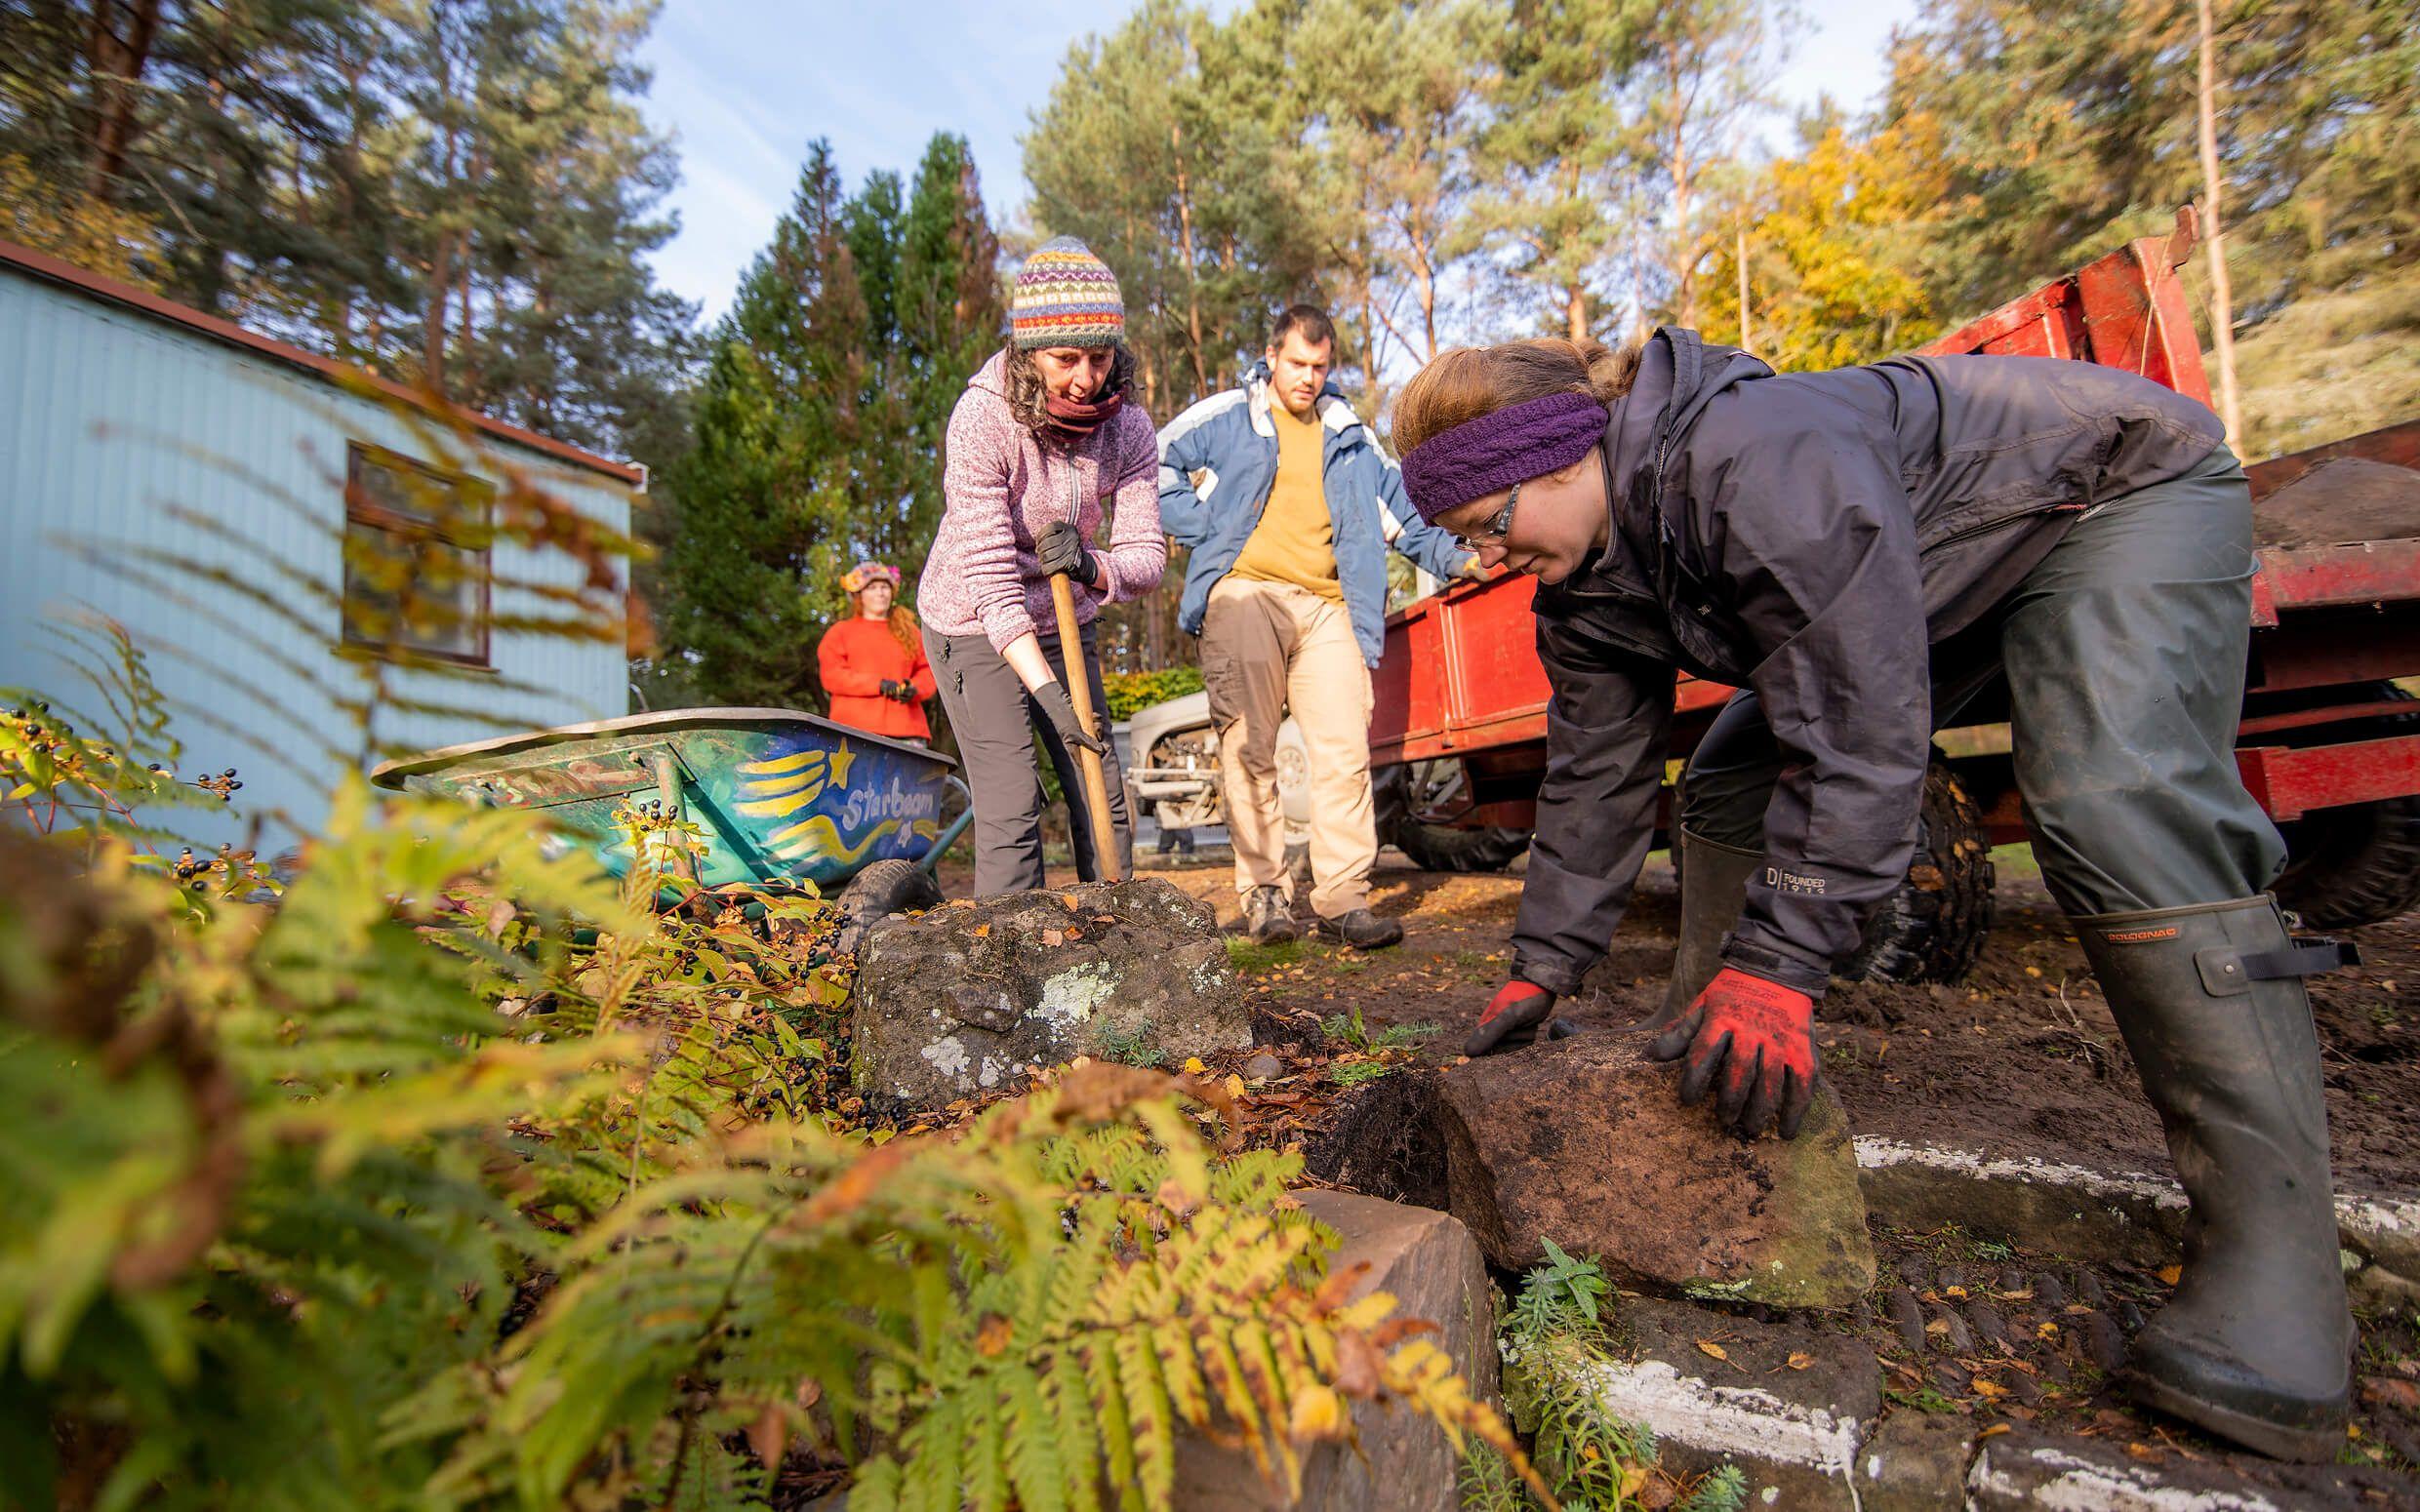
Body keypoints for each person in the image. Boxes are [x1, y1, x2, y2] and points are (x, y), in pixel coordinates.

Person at [1389, 328, 2355, 1461]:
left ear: (1561, 462)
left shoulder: (1752, 461)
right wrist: (1541, 960)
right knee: (1724, 782)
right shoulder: (1588, 575)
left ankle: (2279, 1270)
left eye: (1489, 528)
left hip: (2103, 498)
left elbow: (1851, 726)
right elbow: (1598, 772)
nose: (1488, 560)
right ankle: (1713, 1094)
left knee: (2111, 805)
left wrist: (1783, 959)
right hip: (1932, 573)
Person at [1157, 305, 1475, 948]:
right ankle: (1267, 895)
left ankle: (1341, 901)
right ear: (1272, 356)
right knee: (1250, 749)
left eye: (1320, 366)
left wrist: (1458, 557)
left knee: (1344, 754)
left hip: (1331, 604)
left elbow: (1404, 518)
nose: (1307, 377)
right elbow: (1152, 467)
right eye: (1297, 363)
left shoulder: (1350, 435)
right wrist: (1208, 532)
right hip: (1245, 593)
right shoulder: (1226, 418)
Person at [916, 238, 1166, 895]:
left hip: (1062, 615)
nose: (1086, 377)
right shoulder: (983, 418)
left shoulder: (1129, 429)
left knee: (1098, 784)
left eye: (1100, 355)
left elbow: (1147, 556)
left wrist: (1092, 566)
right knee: (1013, 799)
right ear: (1029, 353)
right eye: (1065, 358)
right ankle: (1003, 970)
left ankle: (1116, 944)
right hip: (972, 621)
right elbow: (995, 588)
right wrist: (1049, 694)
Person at [817, 561, 936, 741]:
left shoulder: (911, 632)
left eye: (884, 587)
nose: (880, 593)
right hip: (853, 731)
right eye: (872, 587)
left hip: (907, 730)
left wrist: (915, 688)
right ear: (859, 595)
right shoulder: (840, 632)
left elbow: (928, 670)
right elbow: (832, 676)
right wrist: (877, 685)